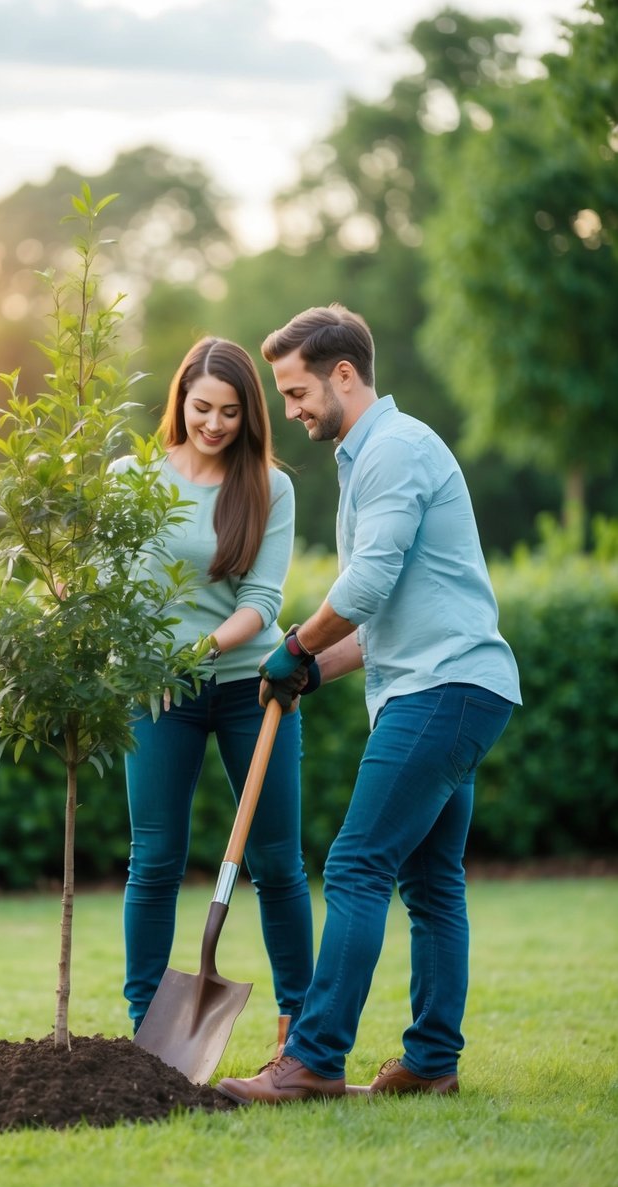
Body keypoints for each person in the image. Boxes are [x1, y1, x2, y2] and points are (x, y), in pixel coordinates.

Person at [215, 304, 521, 1105]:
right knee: (430, 883)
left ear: (342, 374)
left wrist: (296, 646)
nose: (290, 411)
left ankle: (312, 1059)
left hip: (442, 690)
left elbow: (364, 587)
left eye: (295, 391)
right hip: (450, 684)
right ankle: (429, 1063)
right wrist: (315, 670)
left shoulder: (393, 450)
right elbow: (384, 619)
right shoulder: (371, 457)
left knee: (356, 864)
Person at [114, 336, 313, 1053]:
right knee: (156, 857)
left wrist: (190, 654)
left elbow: (261, 600)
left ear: (248, 413)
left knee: (276, 862)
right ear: (180, 401)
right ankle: (147, 1032)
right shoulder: (131, 478)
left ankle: (301, 1031)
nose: (215, 424)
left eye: (231, 411)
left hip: (248, 690)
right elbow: (110, 587)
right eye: (202, 407)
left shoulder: (268, 486)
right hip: (156, 692)